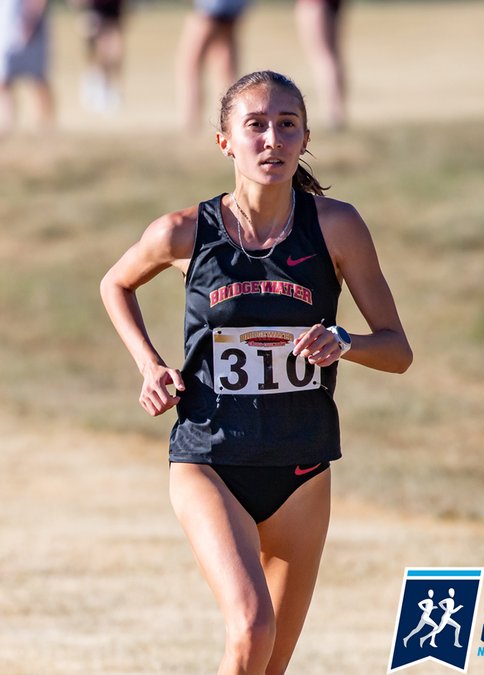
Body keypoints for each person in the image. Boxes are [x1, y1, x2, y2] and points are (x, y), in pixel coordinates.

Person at [100, 70, 413, 673]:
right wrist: (150, 364)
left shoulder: (336, 226)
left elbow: (398, 351)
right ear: (226, 142)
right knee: (250, 626)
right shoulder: (183, 231)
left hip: (302, 466)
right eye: (256, 126)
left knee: (269, 664)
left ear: (304, 138)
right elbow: (115, 283)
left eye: (287, 125)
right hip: (210, 457)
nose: (272, 138)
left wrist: (344, 341)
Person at [177, 0, 249, 130]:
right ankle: (232, 119)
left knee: (191, 64)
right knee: (225, 63)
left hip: (212, 6)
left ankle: (192, 121)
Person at [0, 0, 54, 135]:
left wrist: (30, 21)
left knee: (37, 78)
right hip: (8, 25)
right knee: (4, 80)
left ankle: (46, 125)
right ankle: (8, 123)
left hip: (28, 24)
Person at [294, 0, 346, 130]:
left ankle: (332, 114)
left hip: (314, 3)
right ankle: (336, 112)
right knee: (332, 56)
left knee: (322, 57)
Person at [75, 0, 125, 113]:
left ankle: (110, 87)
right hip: (95, 8)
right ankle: (98, 84)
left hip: (113, 7)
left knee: (115, 50)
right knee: (99, 48)